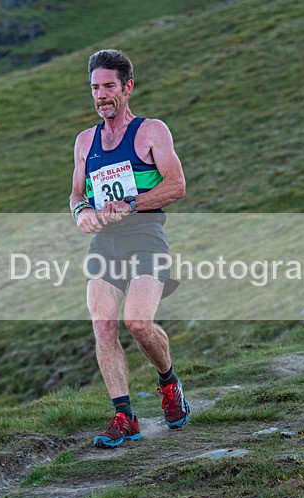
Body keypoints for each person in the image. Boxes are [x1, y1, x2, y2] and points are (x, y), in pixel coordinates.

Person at [69, 49, 190, 448]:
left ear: (127, 87)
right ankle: (124, 416)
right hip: (106, 243)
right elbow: (75, 195)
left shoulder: (152, 131)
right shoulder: (86, 141)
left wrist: (132, 203)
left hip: (145, 236)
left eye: (108, 86)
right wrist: (82, 212)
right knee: (103, 326)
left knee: (138, 324)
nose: (101, 95)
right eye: (94, 88)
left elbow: (176, 186)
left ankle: (169, 384)